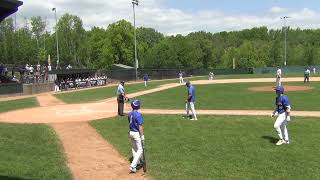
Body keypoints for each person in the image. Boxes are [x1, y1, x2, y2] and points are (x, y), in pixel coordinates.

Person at [128, 99, 145, 173]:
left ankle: (137, 163)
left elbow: (130, 123)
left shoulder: (130, 114)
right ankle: (133, 166)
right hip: (136, 133)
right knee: (140, 149)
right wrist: (142, 136)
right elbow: (140, 126)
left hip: (131, 132)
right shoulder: (138, 115)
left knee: (134, 148)